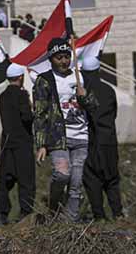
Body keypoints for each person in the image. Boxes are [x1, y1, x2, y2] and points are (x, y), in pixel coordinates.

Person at [33, 38, 98, 222]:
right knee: (62, 174)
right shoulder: (44, 81)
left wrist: (84, 96)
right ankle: (53, 206)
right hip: (57, 138)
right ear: (51, 59)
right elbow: (40, 114)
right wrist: (41, 144)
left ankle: (69, 222)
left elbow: (94, 106)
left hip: (81, 138)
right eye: (59, 57)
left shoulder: (80, 76)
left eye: (66, 57)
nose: (63, 61)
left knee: (76, 184)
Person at [81, 55, 123, 221]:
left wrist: (82, 97)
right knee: (112, 179)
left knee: (92, 178)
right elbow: (114, 114)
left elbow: (90, 113)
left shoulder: (85, 92)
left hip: (94, 141)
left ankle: (99, 216)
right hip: (110, 141)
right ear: (98, 70)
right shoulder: (109, 90)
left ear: (84, 73)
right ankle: (118, 213)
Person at [0, 63, 35, 225]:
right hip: (22, 143)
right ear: (20, 77)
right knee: (26, 180)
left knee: (5, 181)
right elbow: (26, 117)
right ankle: (25, 212)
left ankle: (1, 213)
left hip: (7, 143)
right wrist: (32, 110)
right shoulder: (21, 95)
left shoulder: (3, 95)